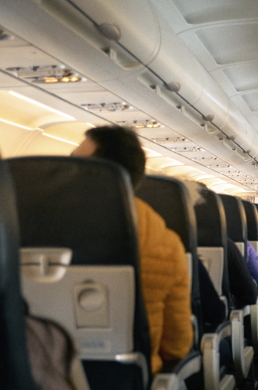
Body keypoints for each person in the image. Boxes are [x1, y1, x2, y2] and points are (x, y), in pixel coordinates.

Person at [72, 126, 193, 375]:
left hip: (31, 388)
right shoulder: (165, 244)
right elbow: (176, 347)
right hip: (131, 385)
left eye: (75, 164)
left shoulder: (24, 229)